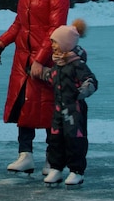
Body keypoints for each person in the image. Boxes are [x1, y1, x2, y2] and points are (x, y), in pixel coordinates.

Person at [0, 0, 70, 175]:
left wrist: (40, 59)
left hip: (44, 60)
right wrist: (2, 42)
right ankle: (25, 154)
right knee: (23, 106)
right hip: (22, 59)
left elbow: (55, 30)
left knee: (48, 109)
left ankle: (51, 158)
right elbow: (19, 24)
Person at [39, 19, 98, 187]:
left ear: (66, 44)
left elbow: (91, 81)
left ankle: (76, 170)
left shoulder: (77, 64)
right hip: (58, 110)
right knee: (55, 139)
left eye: (55, 43)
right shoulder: (58, 64)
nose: (53, 46)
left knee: (75, 140)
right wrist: (35, 71)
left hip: (74, 110)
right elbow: (51, 76)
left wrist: (81, 92)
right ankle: (56, 167)